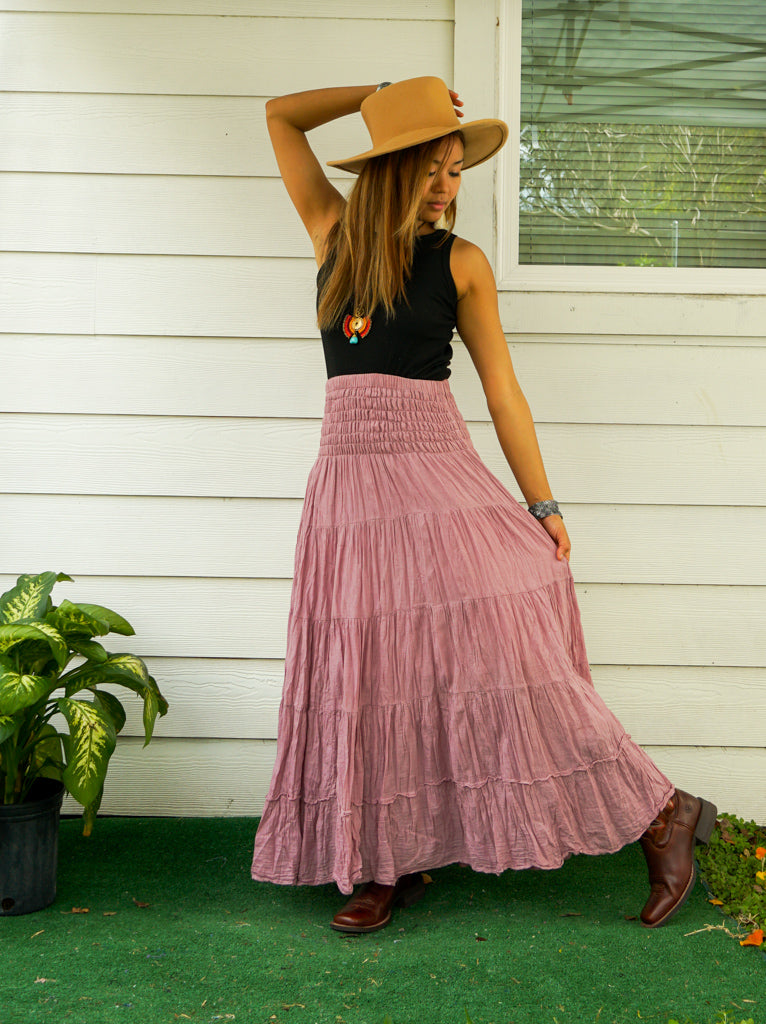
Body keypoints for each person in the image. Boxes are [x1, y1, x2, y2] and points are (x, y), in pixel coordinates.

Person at [250, 76, 717, 934]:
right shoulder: (334, 234)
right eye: (430, 165)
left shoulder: (461, 263)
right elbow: (280, 115)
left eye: (456, 170)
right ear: (389, 167)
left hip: (438, 478)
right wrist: (378, 92)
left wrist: (541, 503)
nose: (445, 185)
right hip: (350, 490)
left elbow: (502, 391)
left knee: (510, 662)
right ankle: (380, 862)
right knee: (373, 671)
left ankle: (663, 812)